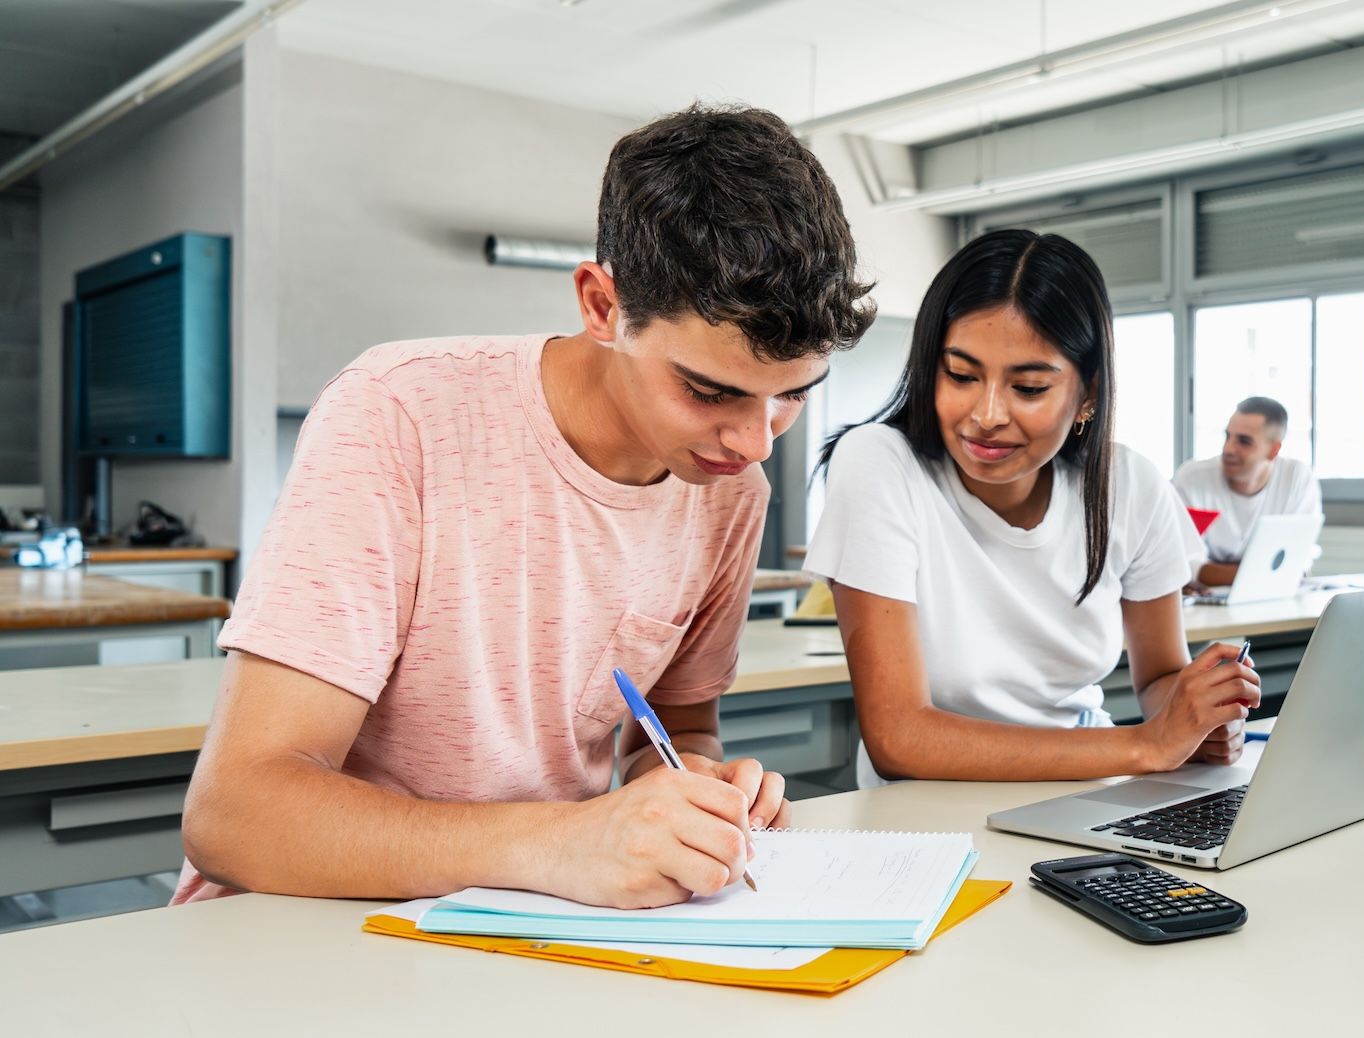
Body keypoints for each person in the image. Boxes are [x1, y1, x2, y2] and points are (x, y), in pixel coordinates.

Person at [176, 106, 874, 908]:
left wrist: (696, 794)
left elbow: (674, 733)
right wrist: (567, 841)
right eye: (707, 390)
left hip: (539, 925)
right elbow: (235, 815)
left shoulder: (727, 491)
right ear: (601, 305)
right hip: (306, 930)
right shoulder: (397, 412)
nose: (754, 441)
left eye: (790, 395)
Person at [807, 230, 1260, 785]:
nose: (987, 414)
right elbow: (901, 739)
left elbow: (1160, 676)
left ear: (1088, 395)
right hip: (927, 816)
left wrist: (1197, 716)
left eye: (1027, 387)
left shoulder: (1130, 485)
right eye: (961, 375)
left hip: (1092, 788)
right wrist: (1147, 745)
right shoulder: (880, 462)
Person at [1170, 398, 1323, 589]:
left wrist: (1217, 572)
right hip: (1207, 600)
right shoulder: (1191, 478)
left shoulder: (1297, 478)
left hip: (1270, 597)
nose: (1228, 449)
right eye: (1227, 437)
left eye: (1244, 441)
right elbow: (1185, 566)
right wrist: (1268, 572)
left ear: (1273, 450)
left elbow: (1298, 559)